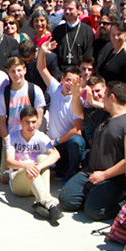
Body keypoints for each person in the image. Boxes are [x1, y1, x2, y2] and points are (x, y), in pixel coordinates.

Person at [59, 81, 126, 220]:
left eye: (105, 95)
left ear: (112, 97)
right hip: (90, 172)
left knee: (93, 212)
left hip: (113, 179)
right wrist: (76, 95)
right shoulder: (103, 114)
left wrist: (104, 175)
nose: (101, 98)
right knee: (66, 200)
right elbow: (79, 112)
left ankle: (122, 200)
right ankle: (94, 196)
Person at [4, 106, 63, 225]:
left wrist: (39, 166)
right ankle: (49, 203)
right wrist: (26, 165)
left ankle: (41, 202)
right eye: (27, 122)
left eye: (34, 122)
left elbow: (56, 154)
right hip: (19, 182)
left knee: (43, 158)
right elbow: (9, 161)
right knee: (30, 167)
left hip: (36, 181)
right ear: (20, 122)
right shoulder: (12, 137)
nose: (31, 126)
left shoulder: (41, 136)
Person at [37, 38, 85, 179]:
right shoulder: (55, 88)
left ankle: (71, 174)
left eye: (75, 82)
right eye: (68, 80)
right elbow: (41, 68)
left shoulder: (78, 100)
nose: (70, 84)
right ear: (62, 79)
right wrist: (42, 51)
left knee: (76, 141)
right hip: (52, 143)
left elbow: (77, 129)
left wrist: (56, 141)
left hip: (65, 144)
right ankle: (59, 168)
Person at [0, 57, 47, 180]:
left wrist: (30, 134)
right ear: (8, 72)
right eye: (12, 71)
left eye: (19, 70)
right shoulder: (4, 94)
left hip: (30, 140)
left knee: (32, 173)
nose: (16, 74)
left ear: (24, 70)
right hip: (12, 139)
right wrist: (7, 141)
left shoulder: (34, 90)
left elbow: (39, 115)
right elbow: (2, 121)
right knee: (5, 178)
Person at [51, 0, 95, 71]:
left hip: (80, 74)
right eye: (65, 9)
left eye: (70, 9)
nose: (68, 12)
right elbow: (54, 55)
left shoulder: (87, 31)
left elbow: (88, 56)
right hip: (61, 74)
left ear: (79, 10)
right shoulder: (57, 31)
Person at [95, 21, 126, 91]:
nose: (116, 38)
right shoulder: (109, 51)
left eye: (119, 34)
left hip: (123, 95)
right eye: (113, 35)